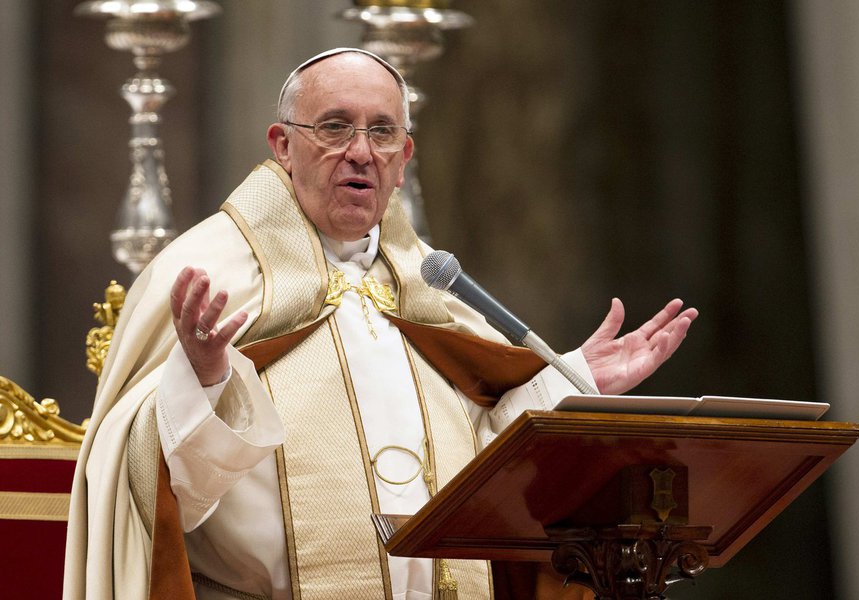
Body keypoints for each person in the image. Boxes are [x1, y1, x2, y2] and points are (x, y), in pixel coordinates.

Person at [63, 48, 698, 600]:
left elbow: (484, 463)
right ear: (282, 145)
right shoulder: (206, 273)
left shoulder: (431, 284)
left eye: (382, 132)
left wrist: (568, 382)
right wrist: (199, 384)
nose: (360, 152)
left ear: (404, 156)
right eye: (335, 127)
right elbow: (150, 489)